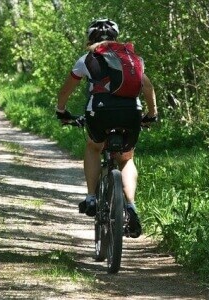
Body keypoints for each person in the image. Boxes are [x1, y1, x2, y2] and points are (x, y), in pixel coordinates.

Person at [56, 19, 158, 238]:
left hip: (100, 113)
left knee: (94, 147)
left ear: (90, 38)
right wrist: (152, 114)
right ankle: (130, 206)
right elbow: (147, 86)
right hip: (131, 112)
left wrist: (61, 111)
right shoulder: (131, 59)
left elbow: (65, 91)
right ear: (116, 37)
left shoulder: (87, 59)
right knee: (126, 158)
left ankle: (92, 197)